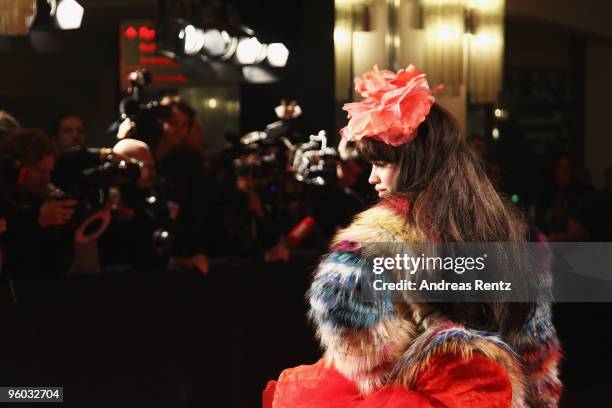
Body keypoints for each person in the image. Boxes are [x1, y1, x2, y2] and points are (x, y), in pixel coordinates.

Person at [264, 66, 562, 407]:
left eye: (383, 163)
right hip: (495, 395)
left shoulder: (377, 236)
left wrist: (400, 371)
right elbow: (535, 343)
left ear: (416, 161)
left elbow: (342, 315)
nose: (372, 177)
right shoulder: (509, 231)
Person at [0, 129, 76, 279]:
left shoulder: (41, 198)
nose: (46, 178)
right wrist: (37, 218)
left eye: (49, 171)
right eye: (40, 171)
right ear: (18, 166)